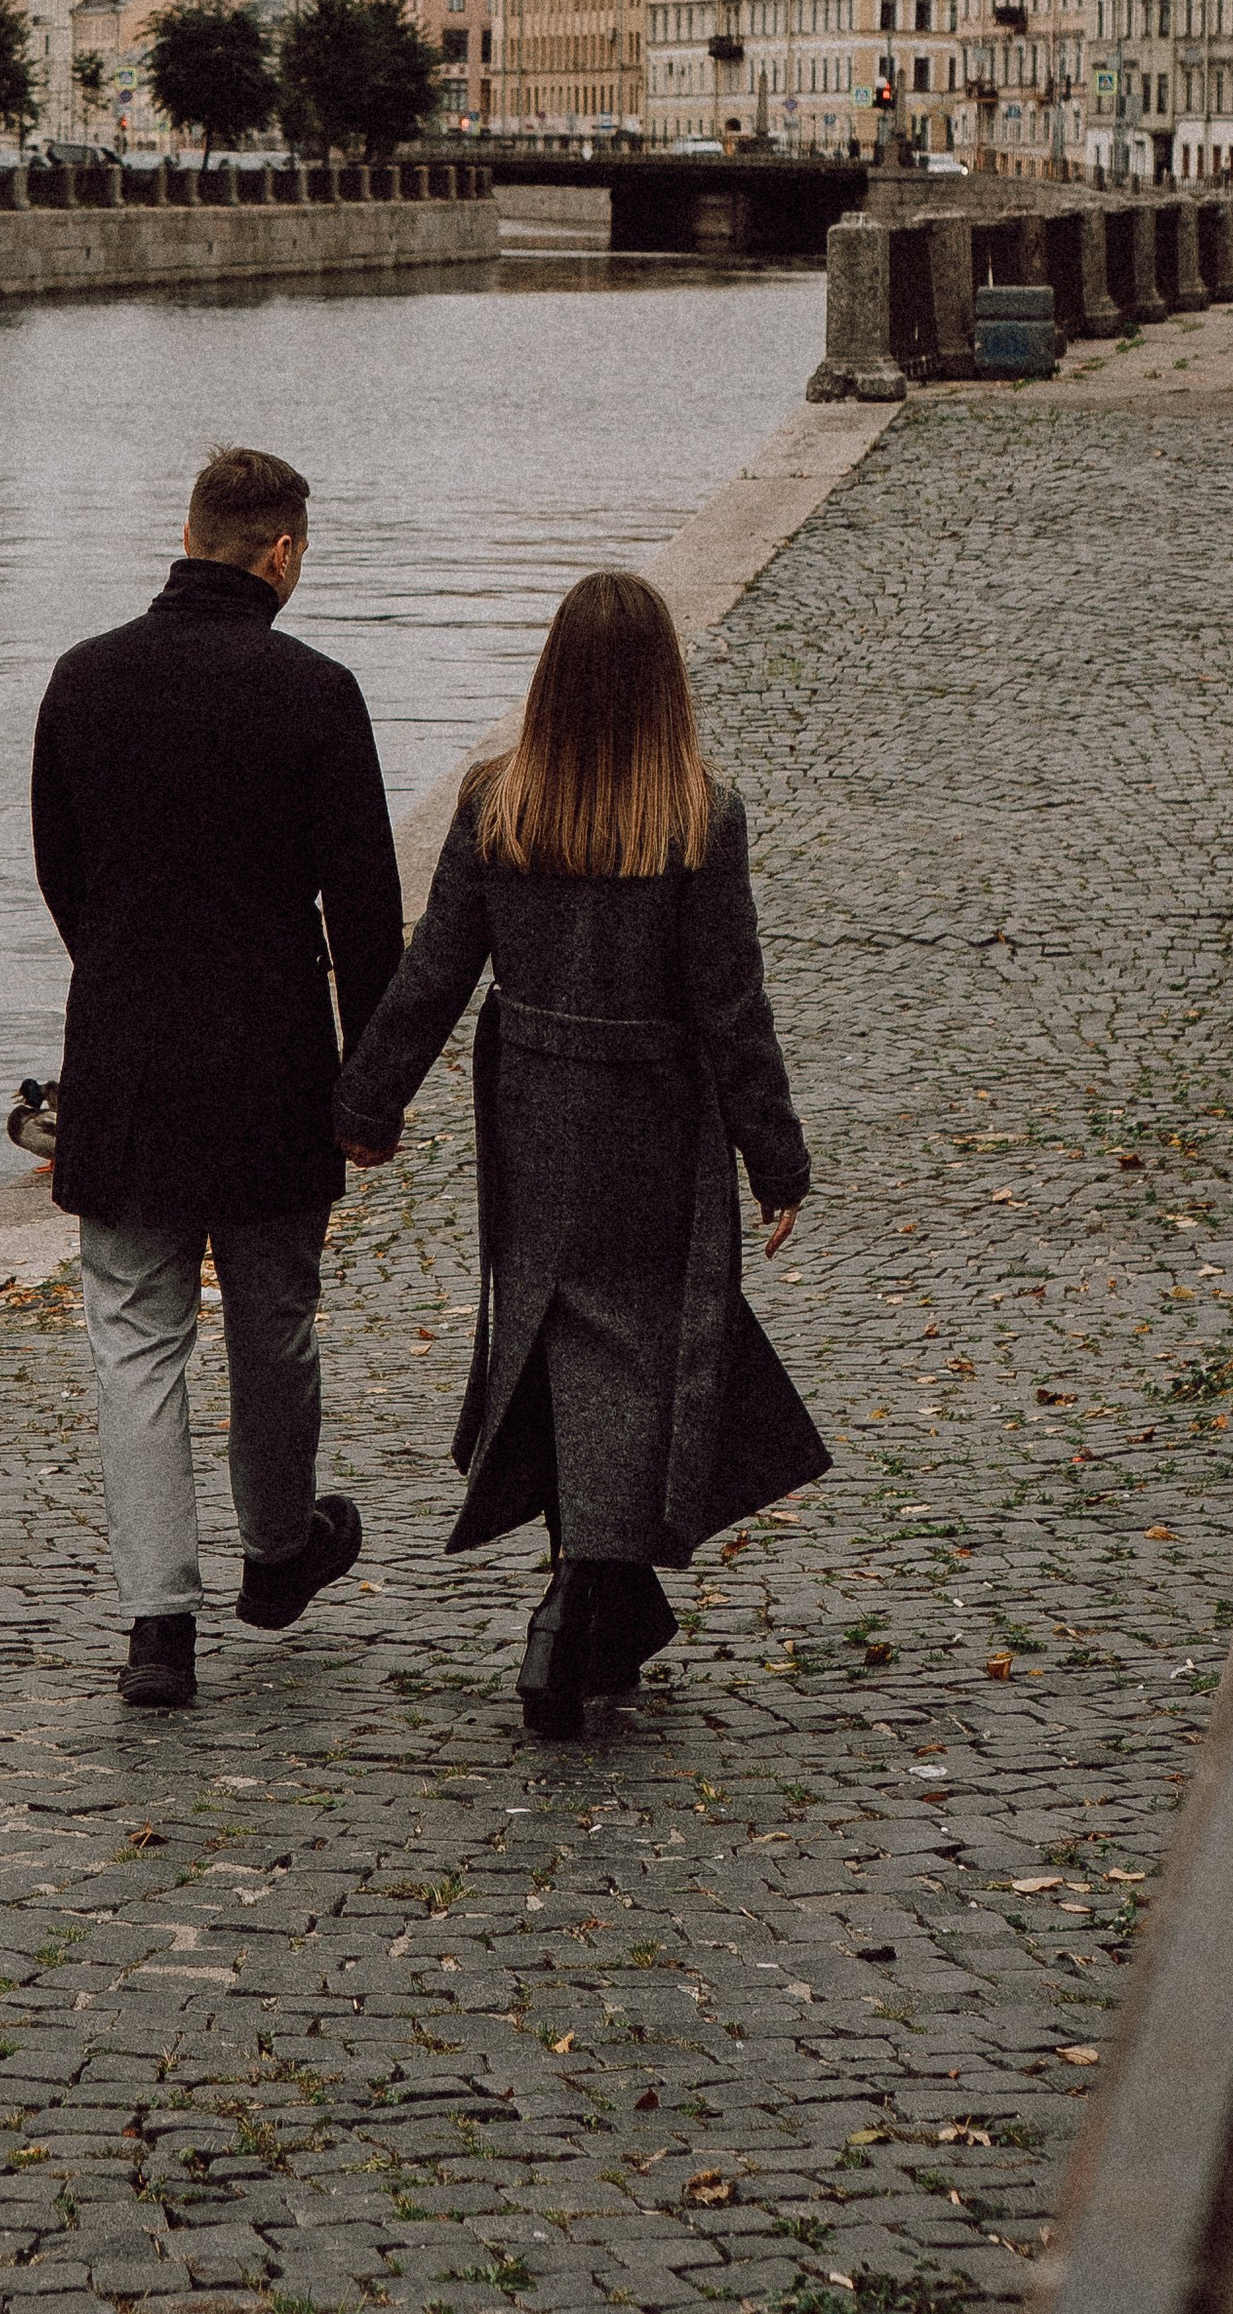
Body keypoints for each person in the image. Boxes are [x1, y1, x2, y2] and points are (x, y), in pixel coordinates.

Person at [333, 571, 826, 1741]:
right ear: (666, 683)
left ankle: (605, 1597)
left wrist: (367, 1105)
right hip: (656, 1116)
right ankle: (570, 1614)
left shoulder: (496, 802)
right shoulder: (700, 814)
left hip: (535, 1110)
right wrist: (777, 1159)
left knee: (554, 1339)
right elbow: (729, 1005)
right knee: (640, 1347)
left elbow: (435, 972)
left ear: (550, 674)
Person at [32, 444, 404, 1712]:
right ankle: (279, 1549)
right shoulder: (316, 692)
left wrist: (130, 979)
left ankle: (156, 1628)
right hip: (270, 1063)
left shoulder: (82, 682)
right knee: (273, 1321)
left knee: (134, 1337)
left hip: (126, 1055)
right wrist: (371, 1091)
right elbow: (364, 915)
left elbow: (62, 875)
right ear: (281, 553)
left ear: (188, 536)